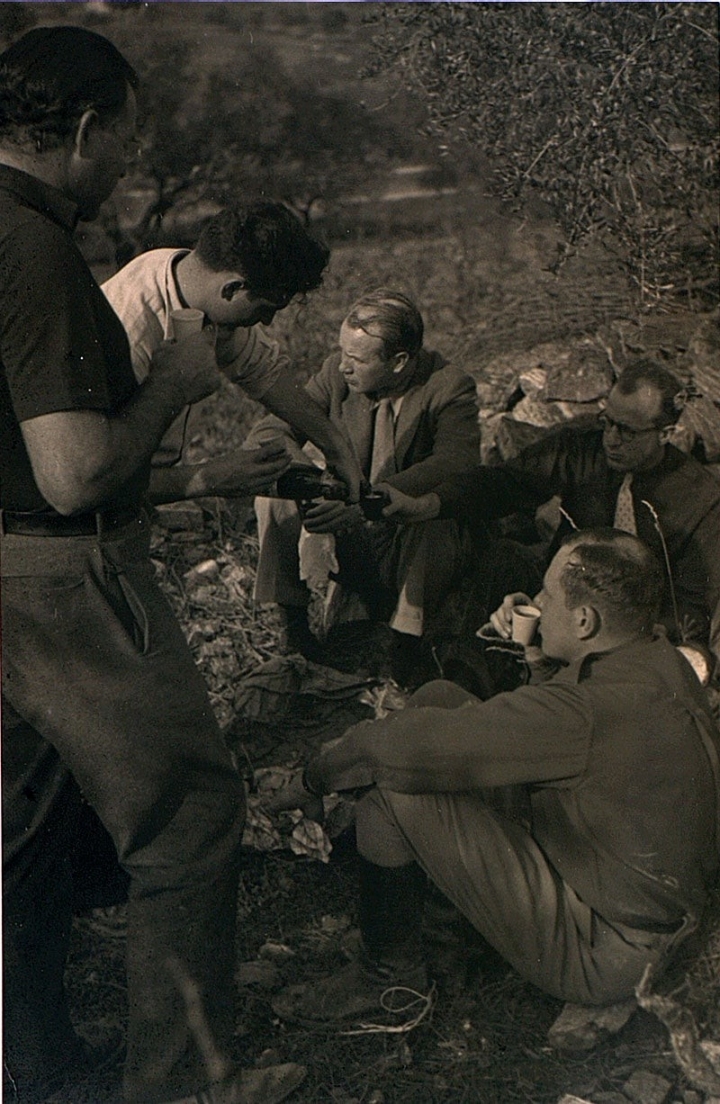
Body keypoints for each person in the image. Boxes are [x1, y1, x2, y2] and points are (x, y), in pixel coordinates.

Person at [0, 26, 304, 1104]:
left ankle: (30, 1064)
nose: (131, 158)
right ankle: (183, 1085)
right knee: (191, 817)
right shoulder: (35, 250)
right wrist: (175, 384)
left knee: (23, 830)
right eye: (127, 136)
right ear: (86, 128)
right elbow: (75, 474)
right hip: (63, 581)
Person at [270, 529, 720, 1026]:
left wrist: (312, 780)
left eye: (548, 594)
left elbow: (397, 749)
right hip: (640, 898)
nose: (537, 603)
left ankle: (389, 977)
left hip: (608, 945)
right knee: (440, 696)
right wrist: (541, 656)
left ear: (585, 621)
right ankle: (445, 929)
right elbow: (573, 739)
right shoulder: (659, 658)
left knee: (394, 793)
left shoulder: (585, 713)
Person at [383, 359, 720, 684]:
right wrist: (428, 504)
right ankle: (465, 681)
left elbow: (693, 606)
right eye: (608, 421)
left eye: (628, 431)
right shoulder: (583, 448)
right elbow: (506, 483)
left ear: (666, 433)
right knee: (504, 560)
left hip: (628, 625)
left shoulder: (699, 497)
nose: (611, 439)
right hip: (562, 589)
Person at [246, 288, 480, 673]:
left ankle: (405, 645)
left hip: (410, 544)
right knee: (276, 495)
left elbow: (456, 462)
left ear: (399, 362)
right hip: (356, 537)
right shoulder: (336, 377)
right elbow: (270, 432)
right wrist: (318, 486)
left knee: (433, 518)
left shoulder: (448, 387)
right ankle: (294, 627)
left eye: (356, 359)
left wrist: (366, 503)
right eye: (342, 352)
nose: (343, 366)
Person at [103, 201, 364, 505]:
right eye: (266, 309)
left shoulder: (196, 282)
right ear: (232, 289)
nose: (267, 322)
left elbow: (263, 371)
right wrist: (208, 479)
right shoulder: (128, 329)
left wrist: (335, 447)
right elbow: (89, 484)